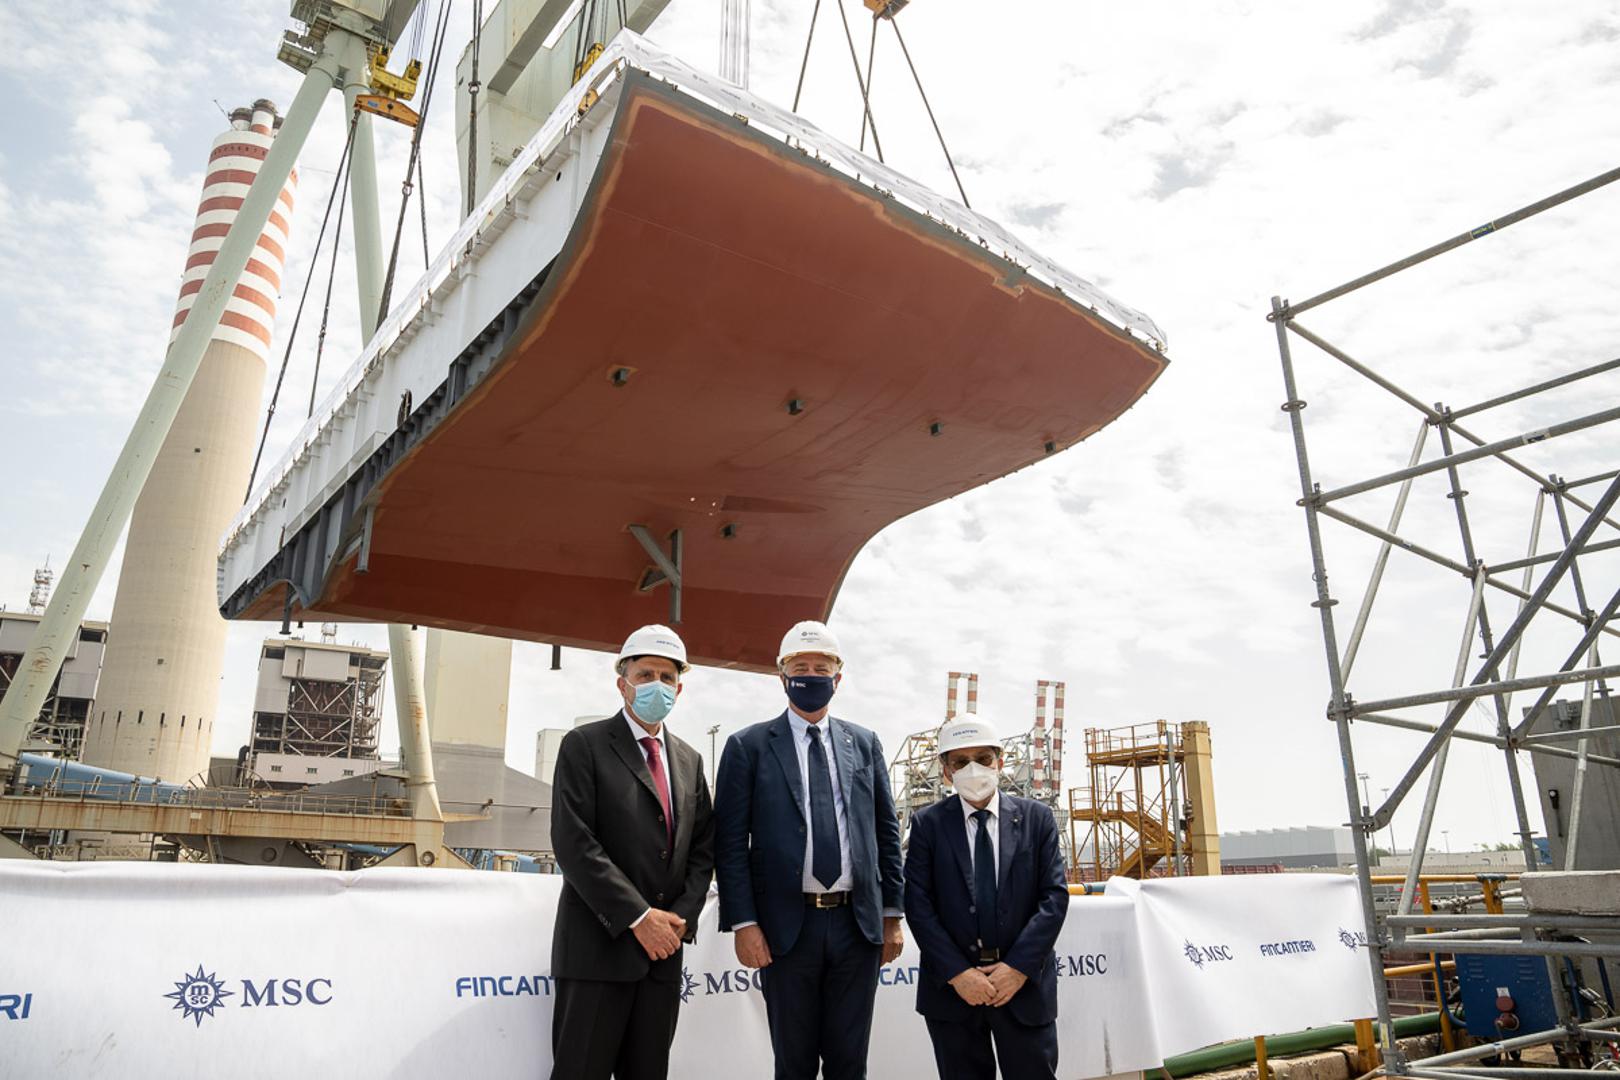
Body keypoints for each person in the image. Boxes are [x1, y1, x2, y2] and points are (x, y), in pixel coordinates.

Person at [713, 620, 905, 1080]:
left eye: (822, 668)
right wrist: (744, 922)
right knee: (793, 1062)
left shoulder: (864, 743)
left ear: (838, 678)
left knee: (849, 1062)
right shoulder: (747, 746)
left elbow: (886, 831)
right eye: (801, 668)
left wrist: (893, 913)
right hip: (785, 929)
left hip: (856, 926)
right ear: (782, 675)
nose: (812, 675)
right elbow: (730, 843)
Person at [549, 624, 716, 1080]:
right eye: (645, 675)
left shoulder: (690, 761)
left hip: (662, 960)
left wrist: (679, 919)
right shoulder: (584, 746)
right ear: (622, 682)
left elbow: (703, 848)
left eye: (666, 677)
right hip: (597, 955)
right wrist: (639, 918)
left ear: (679, 689)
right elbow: (573, 842)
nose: (655, 685)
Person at [903, 713, 1069, 1080]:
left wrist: (1018, 968)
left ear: (1000, 761)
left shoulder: (1037, 819)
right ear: (946, 772)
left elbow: (1053, 899)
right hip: (953, 993)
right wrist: (958, 974)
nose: (973, 769)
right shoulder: (927, 825)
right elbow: (918, 905)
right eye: (961, 762)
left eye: (983, 758)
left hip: (1023, 989)